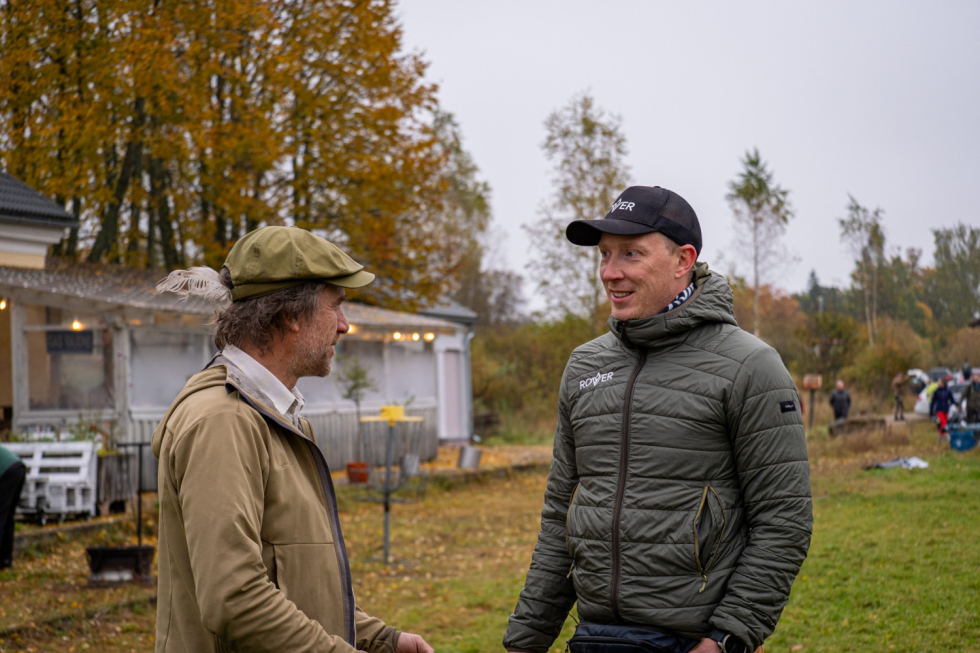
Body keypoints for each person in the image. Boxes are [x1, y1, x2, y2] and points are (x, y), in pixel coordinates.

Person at [502, 186, 812, 653]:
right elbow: (559, 519)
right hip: (596, 640)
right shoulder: (584, 366)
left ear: (683, 260)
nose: (610, 272)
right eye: (605, 254)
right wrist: (524, 643)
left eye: (631, 254)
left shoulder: (749, 366)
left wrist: (726, 639)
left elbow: (784, 521)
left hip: (693, 641)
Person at [152, 227, 434, 653]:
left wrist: (381, 640)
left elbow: (297, 582)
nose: (345, 325)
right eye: (335, 305)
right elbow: (236, 601)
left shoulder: (275, 415)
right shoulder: (224, 422)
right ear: (291, 315)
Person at [0, 444, 27, 569]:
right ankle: (6, 560)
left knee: (1, 517)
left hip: (7, 471)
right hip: (18, 467)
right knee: (8, 517)